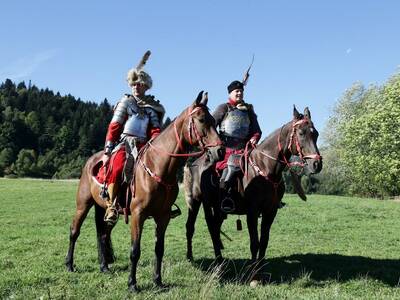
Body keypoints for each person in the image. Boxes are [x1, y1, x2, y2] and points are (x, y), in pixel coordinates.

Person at [101, 51, 165, 225]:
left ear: (146, 86)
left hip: (145, 145)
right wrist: (108, 150)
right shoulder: (126, 102)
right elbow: (114, 128)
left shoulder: (152, 107)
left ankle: (160, 205)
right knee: (118, 166)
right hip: (125, 143)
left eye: (140, 84)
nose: (136, 87)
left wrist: (155, 144)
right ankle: (111, 205)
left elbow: (155, 130)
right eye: (134, 84)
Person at [212, 79, 262, 212]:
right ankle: (225, 197)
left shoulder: (249, 111)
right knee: (232, 166)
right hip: (227, 148)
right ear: (230, 93)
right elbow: (210, 126)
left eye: (241, 91)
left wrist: (254, 138)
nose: (239, 93)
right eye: (236, 91)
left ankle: (269, 197)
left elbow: (257, 130)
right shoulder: (223, 108)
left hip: (245, 148)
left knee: (263, 166)